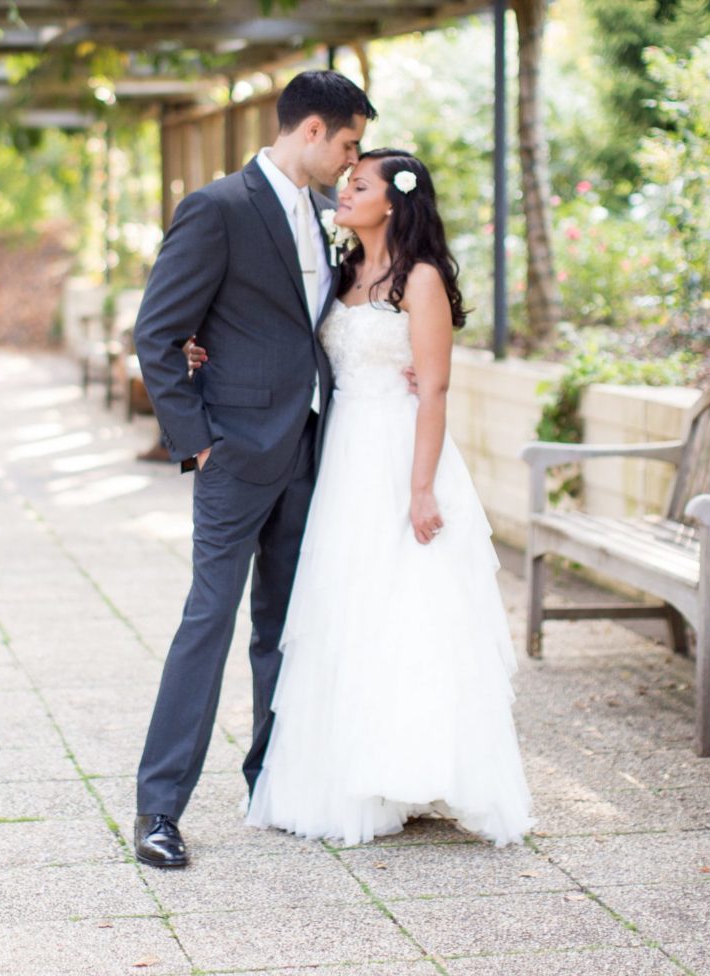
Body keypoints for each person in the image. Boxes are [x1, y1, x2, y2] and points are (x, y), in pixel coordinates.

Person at [204, 150, 534, 847]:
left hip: (398, 452)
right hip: (341, 454)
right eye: (345, 181)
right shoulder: (343, 270)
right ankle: (348, 773)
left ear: (393, 201)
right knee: (344, 606)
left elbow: (437, 389)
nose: (343, 191)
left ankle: (411, 768)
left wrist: (420, 489)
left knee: (406, 609)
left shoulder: (421, 279)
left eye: (359, 184)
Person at [130, 70, 374, 869]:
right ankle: (159, 810)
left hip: (310, 448)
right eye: (346, 144)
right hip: (235, 451)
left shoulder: (318, 211)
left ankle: (270, 782)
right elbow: (159, 332)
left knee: (286, 629)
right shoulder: (218, 208)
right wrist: (198, 440)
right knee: (209, 621)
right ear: (310, 131)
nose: (351, 162)